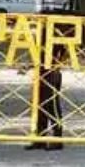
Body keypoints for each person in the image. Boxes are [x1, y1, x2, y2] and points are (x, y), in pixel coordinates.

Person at [22, 23, 69, 151]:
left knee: (51, 106)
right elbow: (36, 55)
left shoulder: (55, 34)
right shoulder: (40, 34)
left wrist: (57, 66)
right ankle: (40, 139)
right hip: (40, 73)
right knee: (39, 107)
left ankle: (57, 139)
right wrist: (28, 66)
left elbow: (65, 52)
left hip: (51, 74)